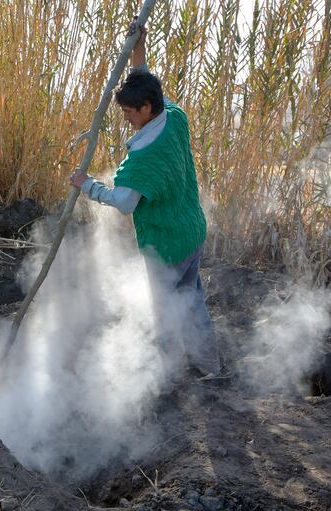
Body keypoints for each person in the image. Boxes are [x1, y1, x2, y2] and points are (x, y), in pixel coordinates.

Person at [69, 20, 222, 378]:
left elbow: (124, 202)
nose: (125, 118)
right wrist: (139, 47)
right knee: (192, 301)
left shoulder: (145, 156)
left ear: (146, 109)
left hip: (167, 245)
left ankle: (166, 379)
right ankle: (211, 367)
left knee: (165, 312)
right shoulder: (173, 116)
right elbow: (145, 78)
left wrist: (86, 184)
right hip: (191, 232)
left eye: (128, 112)